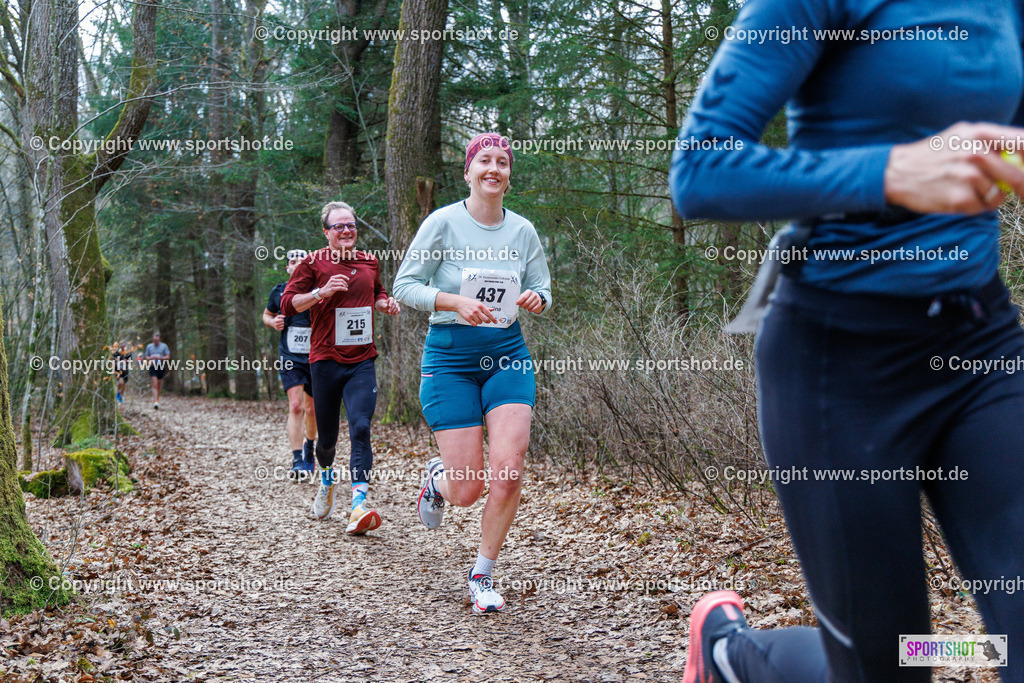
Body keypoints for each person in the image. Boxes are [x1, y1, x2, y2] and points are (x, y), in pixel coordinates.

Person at [670, 2, 1024, 681]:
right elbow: (701, 172)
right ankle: (730, 649)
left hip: (981, 345)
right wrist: (889, 171)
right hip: (840, 363)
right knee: (890, 663)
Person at [393, 132, 552, 614]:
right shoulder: (442, 222)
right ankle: (438, 480)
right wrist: (453, 301)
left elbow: (543, 288)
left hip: (507, 354)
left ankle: (481, 574)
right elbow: (404, 286)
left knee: (508, 472)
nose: (494, 168)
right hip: (451, 359)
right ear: (468, 171)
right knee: (468, 490)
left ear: (508, 175)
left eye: (502, 162)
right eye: (484, 160)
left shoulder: (522, 230)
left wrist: (535, 300)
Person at [281, 201, 401, 535]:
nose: (347, 231)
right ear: (326, 232)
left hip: (361, 360)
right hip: (324, 361)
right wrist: (321, 292)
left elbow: (377, 294)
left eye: (351, 225)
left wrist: (385, 304)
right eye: (339, 227)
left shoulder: (369, 261)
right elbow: (287, 304)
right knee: (327, 439)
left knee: (361, 426)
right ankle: (328, 480)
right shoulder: (312, 263)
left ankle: (359, 504)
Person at [263, 249, 318, 482]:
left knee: (312, 409)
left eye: (301, 261)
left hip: (315, 357)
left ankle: (310, 448)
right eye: (292, 262)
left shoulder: (318, 292)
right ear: (287, 268)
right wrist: (273, 321)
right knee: (295, 406)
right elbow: (266, 315)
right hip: (290, 357)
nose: (296, 265)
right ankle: (297, 459)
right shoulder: (279, 291)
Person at [142, 333, 170, 410]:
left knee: (159, 383)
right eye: (154, 340)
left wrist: (160, 357)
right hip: (152, 366)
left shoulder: (164, 346)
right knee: (154, 383)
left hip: (161, 366)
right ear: (153, 340)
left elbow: (168, 356)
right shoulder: (149, 346)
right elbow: (146, 356)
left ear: (159, 339)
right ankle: (155, 402)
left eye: (157, 340)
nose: (156, 341)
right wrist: (150, 357)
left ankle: (157, 399)